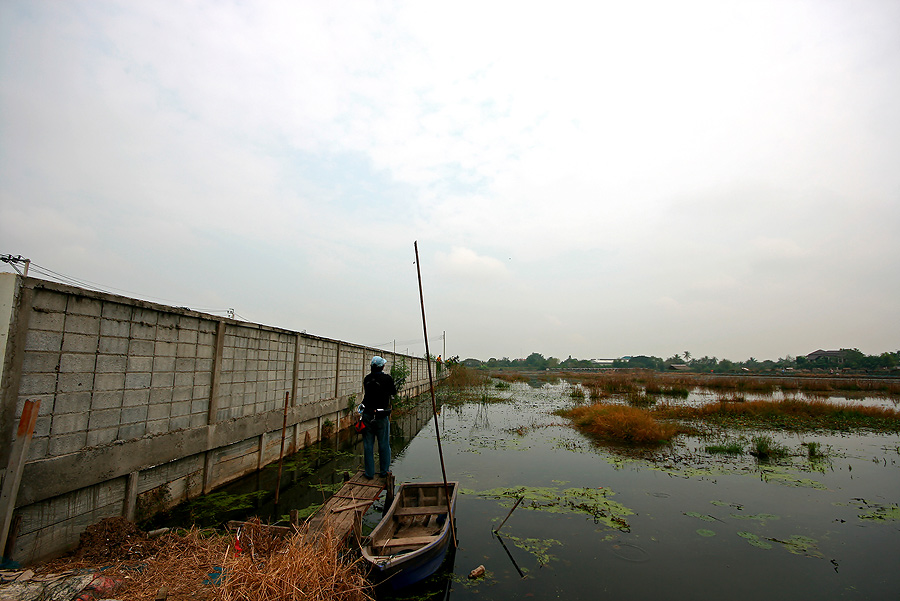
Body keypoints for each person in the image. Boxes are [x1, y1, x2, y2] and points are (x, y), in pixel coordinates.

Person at [361, 355, 397, 479]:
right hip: (381, 416)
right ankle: (384, 471)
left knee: (368, 445)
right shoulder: (387, 378)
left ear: (371, 367)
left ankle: (369, 473)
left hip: (367, 414)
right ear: (382, 366)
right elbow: (393, 392)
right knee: (384, 444)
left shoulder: (367, 379)